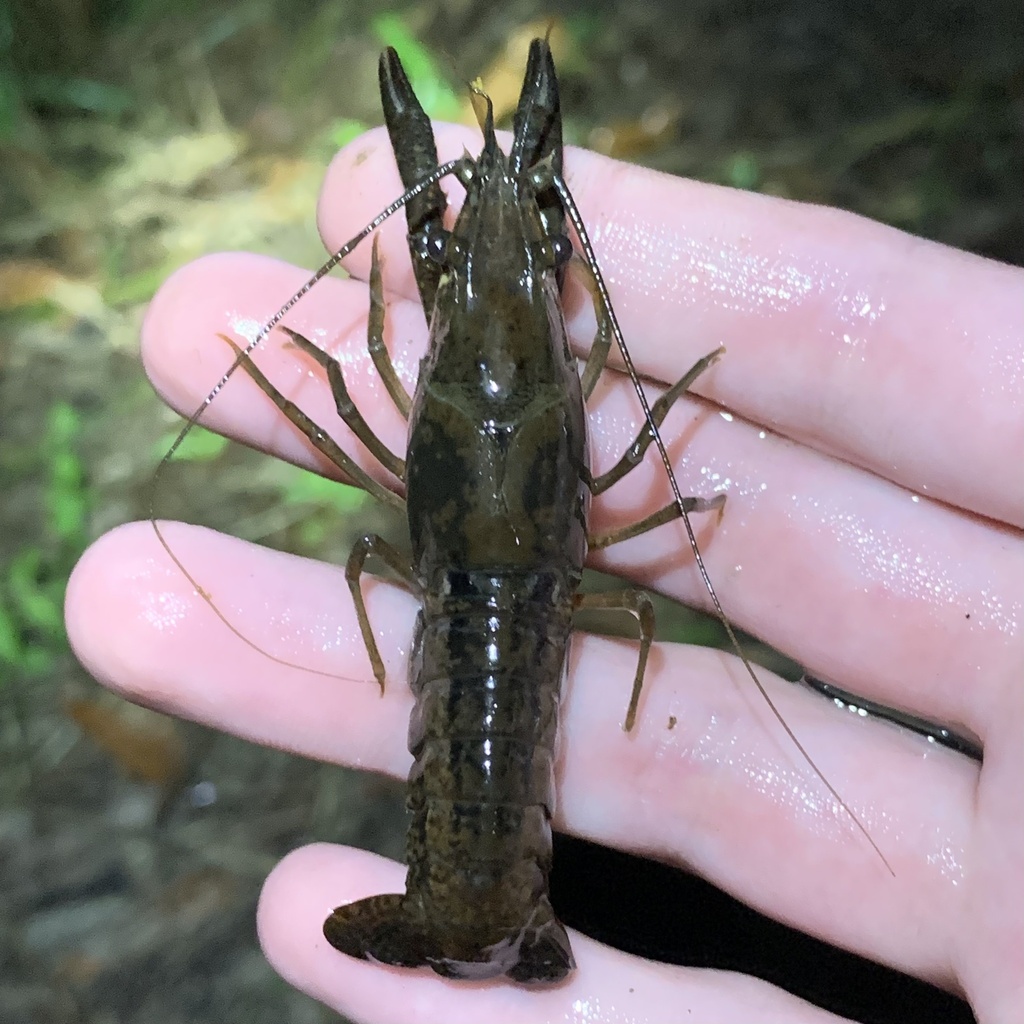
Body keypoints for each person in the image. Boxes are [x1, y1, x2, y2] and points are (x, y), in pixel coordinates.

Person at [66, 124, 1023, 1023]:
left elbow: (360, 409)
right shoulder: (572, 370)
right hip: (511, 644)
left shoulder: (431, 363)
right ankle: (484, 908)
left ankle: (465, 904)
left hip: (468, 635)